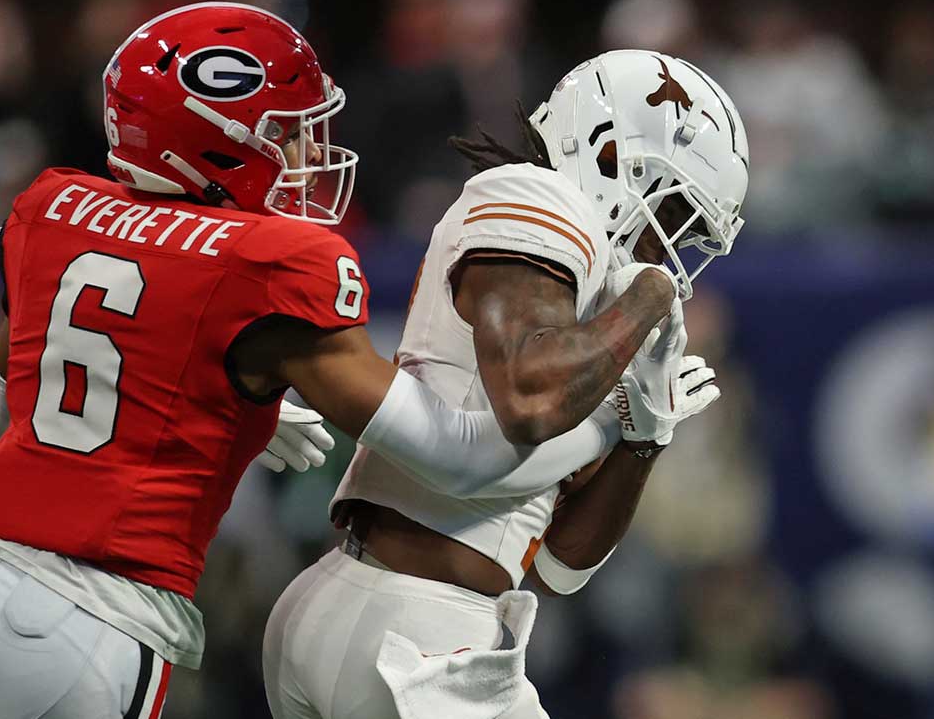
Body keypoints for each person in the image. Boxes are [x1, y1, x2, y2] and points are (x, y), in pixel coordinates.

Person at [0, 6, 692, 719]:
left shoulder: (53, 208)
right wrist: (617, 421)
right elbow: (466, 457)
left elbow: (14, 416)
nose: (304, 157)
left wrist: (200, 392)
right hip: (95, 623)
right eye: (286, 134)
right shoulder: (268, 263)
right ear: (210, 138)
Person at [264, 50, 751, 719]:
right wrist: (649, 298)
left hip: (417, 619)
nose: (665, 249)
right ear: (612, 155)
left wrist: (646, 435)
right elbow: (530, 401)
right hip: (414, 629)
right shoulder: (534, 193)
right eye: (673, 210)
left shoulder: (583, 312)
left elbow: (558, 569)